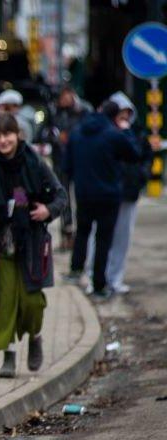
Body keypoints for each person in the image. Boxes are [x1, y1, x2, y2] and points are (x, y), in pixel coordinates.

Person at [0, 113, 67, 378]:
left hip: (30, 242)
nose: (2, 141)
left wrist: (48, 210)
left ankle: (35, 336)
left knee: (33, 302)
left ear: (17, 134)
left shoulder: (35, 163)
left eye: (7, 134)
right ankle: (8, 354)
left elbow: (60, 195)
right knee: (3, 301)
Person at [64, 101, 142, 299]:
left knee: (83, 230)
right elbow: (134, 154)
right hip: (108, 194)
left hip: (83, 192)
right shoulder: (114, 135)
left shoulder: (78, 131)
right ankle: (99, 284)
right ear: (116, 117)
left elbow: (67, 166)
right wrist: (126, 131)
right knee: (103, 239)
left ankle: (76, 269)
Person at [83, 93, 152, 295]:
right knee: (100, 237)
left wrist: (142, 177)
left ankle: (115, 278)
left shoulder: (135, 133)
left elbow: (142, 155)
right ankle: (94, 276)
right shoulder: (103, 134)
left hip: (128, 192)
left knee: (122, 237)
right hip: (107, 193)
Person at [44, 86, 90, 250]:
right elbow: (44, 131)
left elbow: (88, 132)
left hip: (78, 160)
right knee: (64, 198)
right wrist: (55, 137)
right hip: (60, 160)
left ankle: (81, 233)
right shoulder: (54, 111)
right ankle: (67, 233)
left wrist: (72, 137)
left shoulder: (83, 110)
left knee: (80, 197)